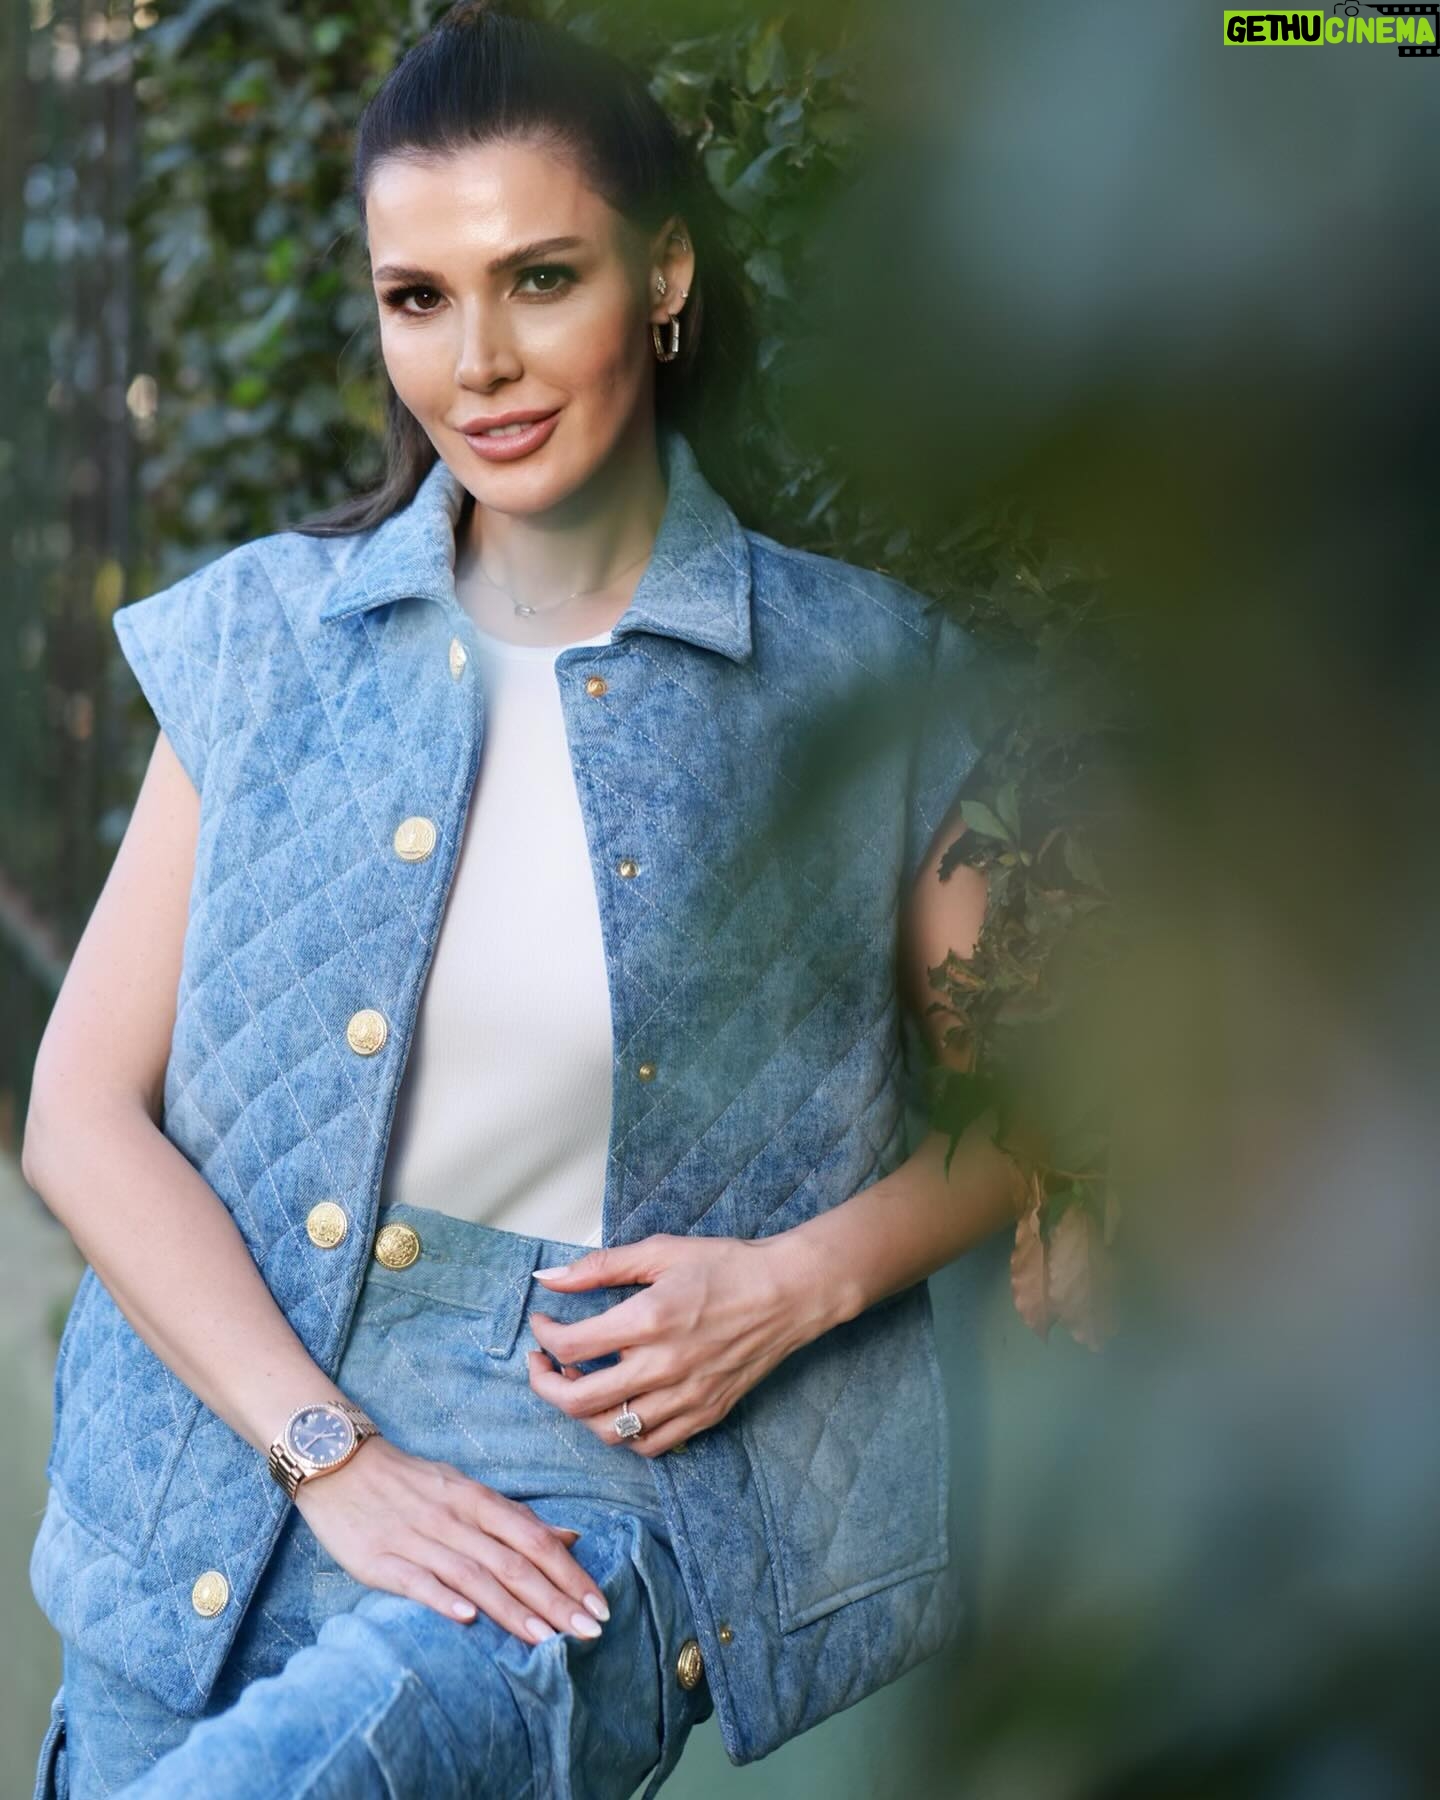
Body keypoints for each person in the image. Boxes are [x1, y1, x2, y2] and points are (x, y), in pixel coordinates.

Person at [24, 2, 1023, 1795]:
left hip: (585, 1500)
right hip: (210, 1488)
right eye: (419, 297)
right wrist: (331, 1454)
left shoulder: (860, 676)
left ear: (663, 274)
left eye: (539, 279)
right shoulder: (265, 638)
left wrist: (793, 1286)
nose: (476, 360)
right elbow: (81, 1116)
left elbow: (1050, 1093)